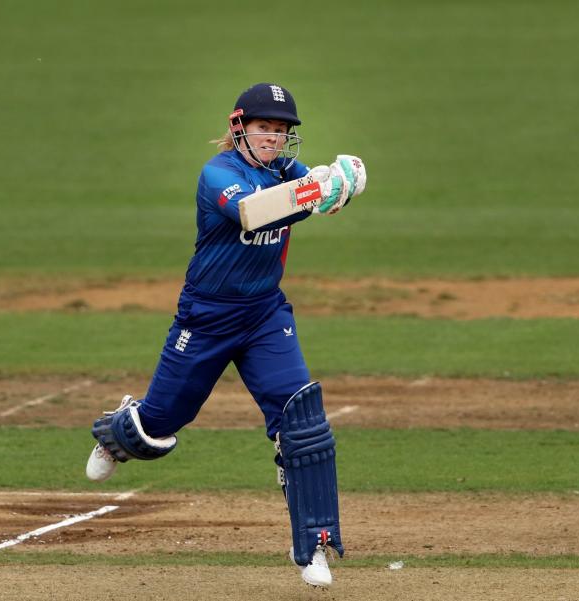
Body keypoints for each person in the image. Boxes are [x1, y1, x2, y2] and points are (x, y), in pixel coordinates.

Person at [84, 83, 366, 587]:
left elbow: (323, 202)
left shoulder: (285, 171)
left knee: (301, 421)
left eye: (281, 132)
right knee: (162, 423)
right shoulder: (218, 174)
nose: (274, 139)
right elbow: (254, 212)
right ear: (239, 127)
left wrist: (338, 184)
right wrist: (321, 187)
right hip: (207, 317)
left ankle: (314, 547)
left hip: (264, 316)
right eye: (265, 128)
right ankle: (117, 435)